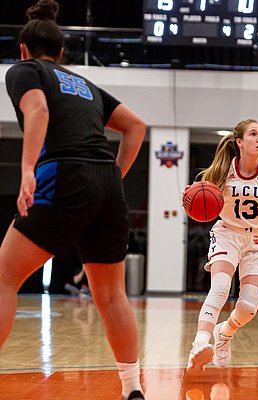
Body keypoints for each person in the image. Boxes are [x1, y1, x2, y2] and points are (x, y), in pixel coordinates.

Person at [0, 2, 147, 400]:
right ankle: (132, 389)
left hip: (64, 172)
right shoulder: (84, 85)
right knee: (112, 296)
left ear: (24, 49)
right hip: (106, 183)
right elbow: (135, 127)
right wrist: (112, 178)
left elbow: (38, 109)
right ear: (62, 53)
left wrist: (27, 168)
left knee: (4, 278)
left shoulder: (25, 71)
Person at [186, 118, 258, 374]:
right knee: (221, 287)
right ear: (240, 142)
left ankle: (224, 333)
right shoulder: (223, 170)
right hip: (228, 235)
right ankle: (199, 344)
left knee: (247, 308)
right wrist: (189, 197)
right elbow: (200, 196)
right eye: (254, 134)